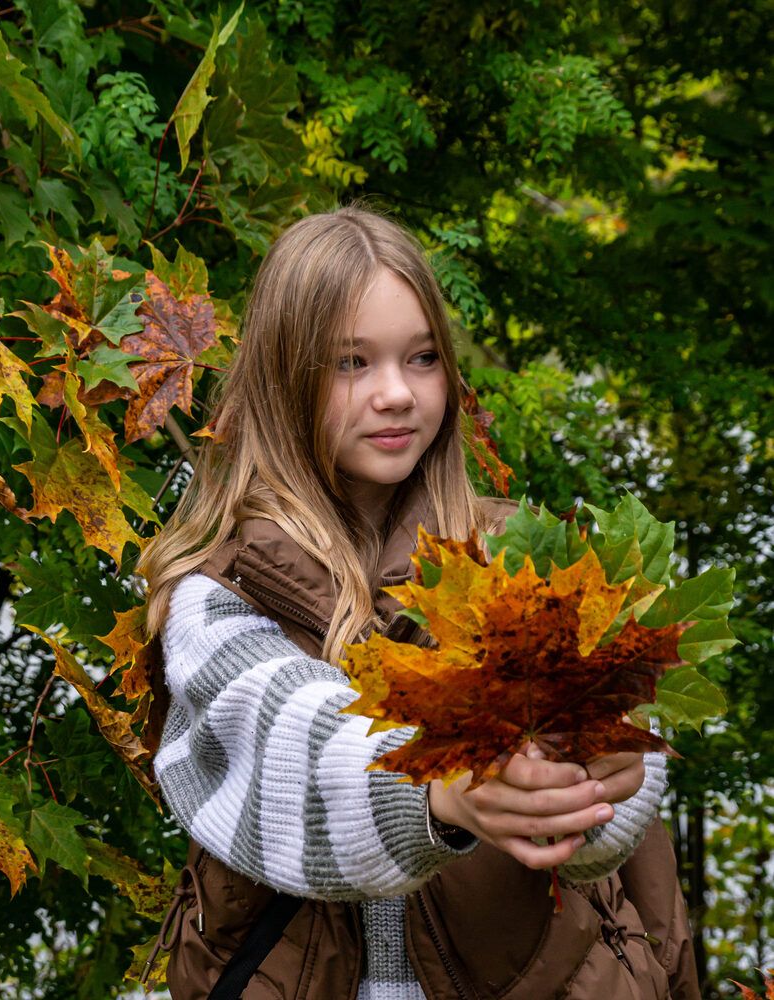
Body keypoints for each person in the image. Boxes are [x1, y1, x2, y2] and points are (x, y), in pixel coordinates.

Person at [141, 206, 698, 999]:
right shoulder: (220, 592)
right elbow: (286, 741)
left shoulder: (522, 559)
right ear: (282, 376)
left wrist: (602, 775)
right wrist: (439, 787)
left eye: (423, 357)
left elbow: (617, 810)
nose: (396, 393)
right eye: (350, 363)